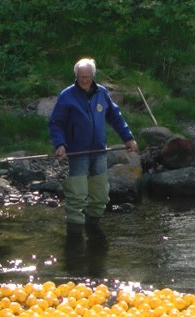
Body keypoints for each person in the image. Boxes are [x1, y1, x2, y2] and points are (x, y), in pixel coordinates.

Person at [48, 57, 138, 241]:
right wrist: (60, 144)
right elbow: (56, 123)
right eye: (81, 77)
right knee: (78, 194)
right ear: (76, 76)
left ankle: (93, 228)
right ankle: (74, 236)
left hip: (99, 151)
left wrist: (128, 138)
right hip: (77, 152)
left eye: (87, 77)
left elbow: (115, 117)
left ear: (93, 76)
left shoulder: (102, 93)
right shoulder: (67, 96)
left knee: (101, 196)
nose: (84, 80)